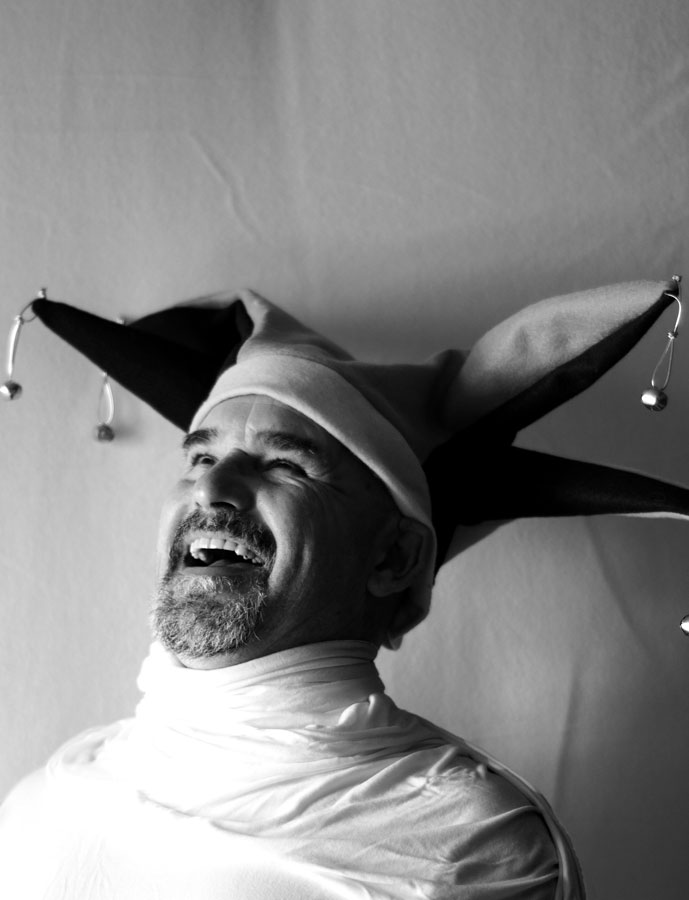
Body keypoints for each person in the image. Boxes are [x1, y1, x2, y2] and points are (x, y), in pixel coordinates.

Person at [0, 279, 686, 898]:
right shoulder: (43, 794)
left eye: (285, 465)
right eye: (201, 456)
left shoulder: (470, 852)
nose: (211, 488)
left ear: (393, 556)